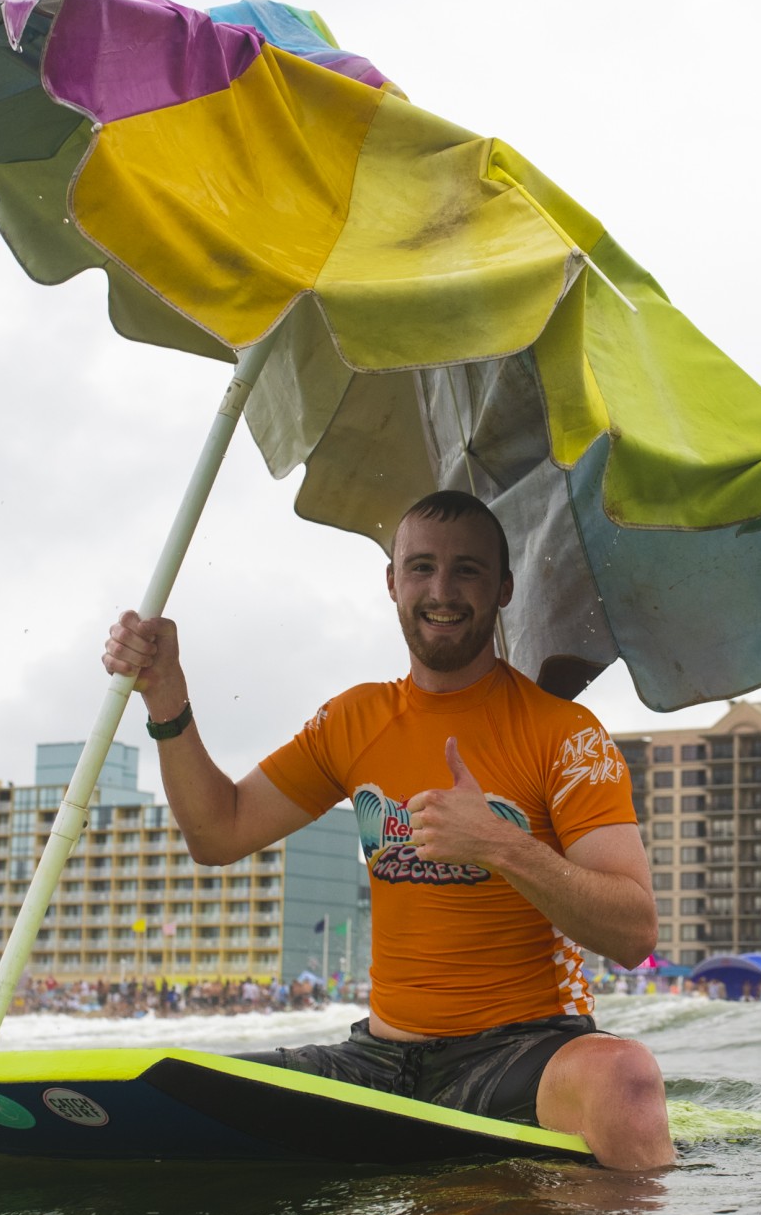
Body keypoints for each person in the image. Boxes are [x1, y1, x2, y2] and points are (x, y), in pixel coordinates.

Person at [102, 488, 673, 1170]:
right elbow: (218, 833)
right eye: (422, 567)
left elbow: (634, 931)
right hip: (379, 1059)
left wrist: (499, 844)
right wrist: (167, 698)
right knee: (183, 1088)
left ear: (504, 589)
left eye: (468, 570)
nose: (442, 589)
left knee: (625, 1078)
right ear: (392, 581)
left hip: (522, 1054)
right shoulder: (353, 720)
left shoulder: (565, 736)